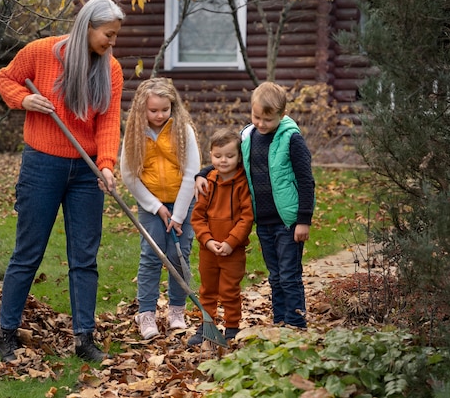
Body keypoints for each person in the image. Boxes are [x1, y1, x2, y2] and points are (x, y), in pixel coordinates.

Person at [0, 0, 125, 363]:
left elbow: (109, 121)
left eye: (115, 36)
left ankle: (84, 339)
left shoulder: (110, 70)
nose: (112, 43)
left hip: (87, 172)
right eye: (108, 35)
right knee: (28, 253)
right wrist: (24, 100)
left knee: (84, 257)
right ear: (88, 26)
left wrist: (107, 164)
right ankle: (6, 334)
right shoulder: (40, 52)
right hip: (42, 165)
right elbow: (6, 78)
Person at [195, 82, 315, 329]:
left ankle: (296, 322)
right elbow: (229, 159)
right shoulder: (248, 136)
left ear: (281, 115)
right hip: (264, 220)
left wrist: (304, 219)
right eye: (256, 117)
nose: (261, 123)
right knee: (275, 275)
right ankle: (280, 320)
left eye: (267, 119)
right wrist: (203, 172)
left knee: (289, 274)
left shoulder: (292, 139)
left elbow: (306, 180)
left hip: (288, 221)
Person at [120, 77, 201, 340]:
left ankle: (177, 311)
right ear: (142, 109)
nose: (159, 115)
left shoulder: (183, 130)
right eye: (153, 110)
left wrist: (177, 215)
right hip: (151, 205)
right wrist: (156, 207)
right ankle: (146, 314)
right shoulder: (134, 133)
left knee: (178, 255)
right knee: (151, 256)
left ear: (172, 107)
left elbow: (192, 173)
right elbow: (129, 175)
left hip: (183, 202)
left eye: (164, 110)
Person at [188, 128, 254, 346]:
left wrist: (230, 242)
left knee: (230, 290)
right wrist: (207, 240)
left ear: (239, 157)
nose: (223, 160)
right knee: (207, 290)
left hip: (232, 251)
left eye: (229, 156)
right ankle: (207, 325)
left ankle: (232, 327)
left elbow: (246, 218)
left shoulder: (243, 183)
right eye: (217, 156)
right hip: (208, 250)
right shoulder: (207, 182)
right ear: (210, 155)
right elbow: (197, 218)